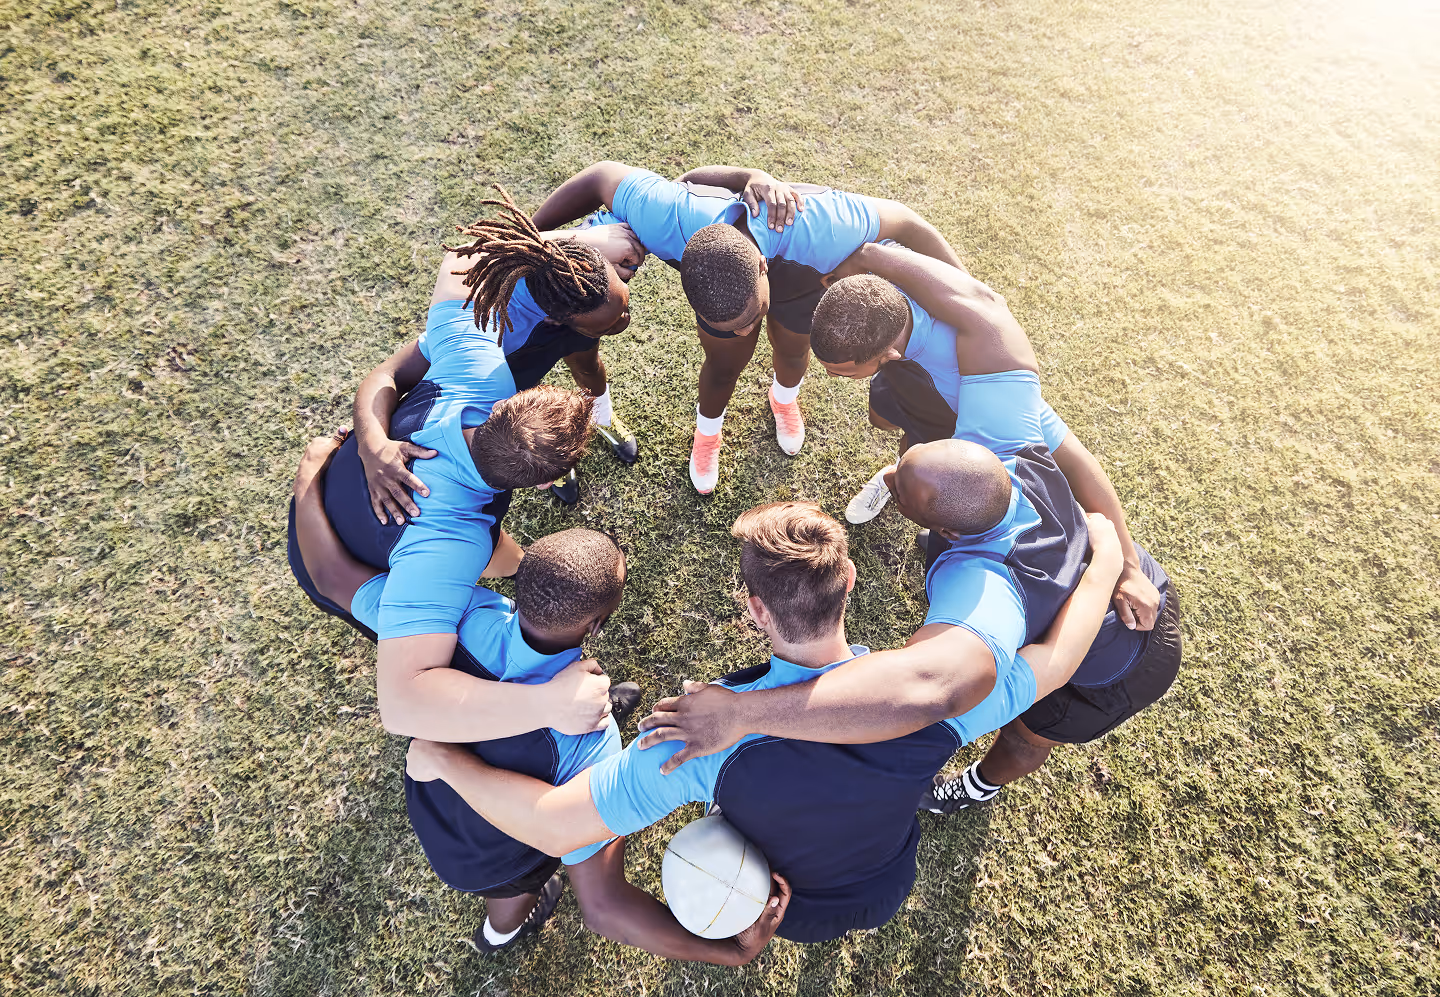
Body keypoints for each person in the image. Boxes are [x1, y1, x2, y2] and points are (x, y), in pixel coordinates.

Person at [405, 502, 1125, 944]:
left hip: (791, 905)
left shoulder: (694, 742)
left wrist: (447, 760)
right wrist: (1108, 558)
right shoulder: (938, 700)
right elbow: (1057, 661)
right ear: (850, 582)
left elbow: (559, 828)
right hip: (885, 882)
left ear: (754, 608)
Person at [292, 434, 785, 962]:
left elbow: (329, 574)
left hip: (430, 795)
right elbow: (601, 907)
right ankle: (500, 932)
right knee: (514, 889)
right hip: (487, 859)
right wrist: (733, 953)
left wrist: (308, 476)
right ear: (595, 626)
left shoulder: (449, 618)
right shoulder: (591, 744)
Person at [527, 162, 964, 493]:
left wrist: (967, 292)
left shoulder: (819, 223)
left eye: (748, 321)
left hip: (806, 279)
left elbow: (907, 221)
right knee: (722, 366)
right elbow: (630, 177)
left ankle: (783, 399)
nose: (744, 333)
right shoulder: (666, 217)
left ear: (760, 265)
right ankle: (707, 435)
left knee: (794, 349)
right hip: (734, 279)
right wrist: (531, 241)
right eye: (731, 326)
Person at [810, 242, 1162, 632]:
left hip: (954, 433)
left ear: (889, 353)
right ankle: (901, 474)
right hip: (910, 392)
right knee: (892, 427)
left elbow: (1074, 458)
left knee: (943, 482)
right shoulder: (877, 299)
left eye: (840, 371)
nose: (830, 377)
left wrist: (1128, 565)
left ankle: (930, 507)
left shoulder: (986, 384)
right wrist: (866, 257)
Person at [355, 187, 645, 514]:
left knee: (589, 367)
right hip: (515, 367)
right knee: (534, 424)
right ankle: (556, 464)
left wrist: (585, 238)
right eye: (611, 323)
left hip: (577, 323)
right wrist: (371, 446)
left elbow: (610, 181)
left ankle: (603, 418)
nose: (625, 321)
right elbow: (388, 373)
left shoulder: (581, 284)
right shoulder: (481, 330)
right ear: (556, 318)